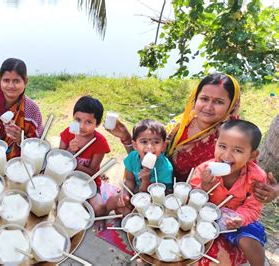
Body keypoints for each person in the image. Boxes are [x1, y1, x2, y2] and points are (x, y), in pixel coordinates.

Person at [106, 73, 241, 182]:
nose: (209, 107)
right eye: (204, 99)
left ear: (232, 106)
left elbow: (236, 176)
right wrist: (126, 138)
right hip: (156, 185)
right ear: (195, 99)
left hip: (194, 200)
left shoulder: (230, 138)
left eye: (219, 102)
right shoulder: (180, 124)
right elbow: (150, 157)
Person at [190, 120, 267, 265]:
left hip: (237, 219)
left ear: (252, 155)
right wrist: (204, 186)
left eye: (237, 150)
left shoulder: (257, 177)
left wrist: (240, 219)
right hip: (207, 218)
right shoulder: (204, 169)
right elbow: (191, 200)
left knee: (248, 242)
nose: (227, 155)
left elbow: (254, 208)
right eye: (222, 146)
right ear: (215, 144)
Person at [59, 96, 111, 226]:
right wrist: (70, 151)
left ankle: (100, 220)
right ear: (73, 118)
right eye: (78, 120)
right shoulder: (68, 133)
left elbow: (92, 171)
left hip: (87, 182)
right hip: (66, 178)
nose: (82, 126)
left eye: (88, 122)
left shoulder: (100, 143)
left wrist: (74, 163)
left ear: (97, 124)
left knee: (98, 208)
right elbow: (60, 159)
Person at [107, 119, 173, 215]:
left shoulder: (166, 168)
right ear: (135, 145)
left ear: (163, 146)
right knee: (113, 200)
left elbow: (156, 197)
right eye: (144, 141)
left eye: (156, 142)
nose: (150, 146)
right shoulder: (132, 157)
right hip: (136, 189)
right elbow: (129, 180)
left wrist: (146, 180)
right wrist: (125, 193)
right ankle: (102, 215)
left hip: (153, 201)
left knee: (132, 214)